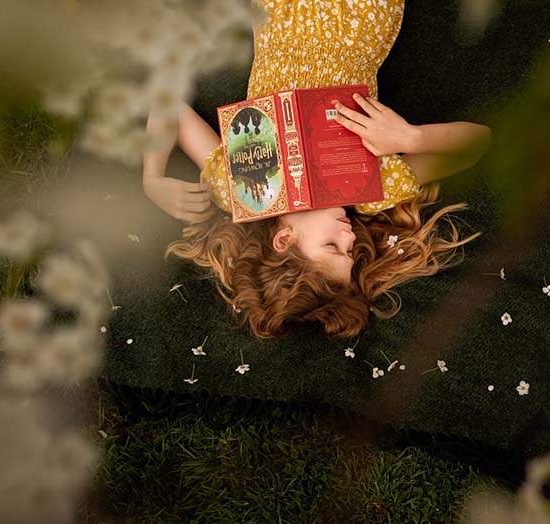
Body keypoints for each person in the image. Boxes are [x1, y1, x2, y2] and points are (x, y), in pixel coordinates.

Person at [143, 0, 492, 338]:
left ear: (284, 240)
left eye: (331, 246)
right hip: (363, 13)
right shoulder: (371, 188)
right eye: (351, 253)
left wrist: (152, 179)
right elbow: (478, 146)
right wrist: (410, 138)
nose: (350, 238)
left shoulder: (246, 188)